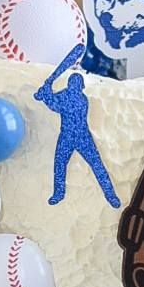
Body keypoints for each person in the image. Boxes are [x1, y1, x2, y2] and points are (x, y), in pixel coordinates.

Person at [34, 43, 120, 208]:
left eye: (76, 84)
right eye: (73, 84)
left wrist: (46, 95)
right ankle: (59, 194)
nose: (75, 87)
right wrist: (44, 94)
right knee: (59, 164)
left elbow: (56, 105)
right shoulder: (66, 94)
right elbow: (53, 102)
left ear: (80, 87)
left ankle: (111, 195)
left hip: (82, 136)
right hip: (66, 135)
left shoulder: (80, 99)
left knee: (97, 165)